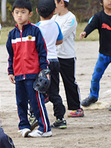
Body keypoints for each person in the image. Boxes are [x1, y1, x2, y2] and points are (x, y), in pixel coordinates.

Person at [6, 0, 52, 138]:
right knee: (20, 102)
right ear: (13, 14)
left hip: (33, 74)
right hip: (19, 74)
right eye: (17, 12)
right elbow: (11, 55)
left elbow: (42, 52)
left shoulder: (35, 31)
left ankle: (45, 128)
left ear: (30, 14)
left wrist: (44, 70)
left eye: (23, 12)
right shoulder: (12, 34)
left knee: (36, 102)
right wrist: (11, 71)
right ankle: (24, 126)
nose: (19, 15)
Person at [35, 0, 67, 129]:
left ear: (37, 11)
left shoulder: (36, 27)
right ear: (54, 11)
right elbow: (59, 40)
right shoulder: (55, 25)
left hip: (42, 62)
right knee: (54, 91)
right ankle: (60, 118)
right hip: (54, 61)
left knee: (37, 90)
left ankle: (36, 116)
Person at [52, 0, 84, 117]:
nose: (52, 6)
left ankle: (76, 107)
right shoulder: (53, 18)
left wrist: (48, 40)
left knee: (69, 82)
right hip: (54, 56)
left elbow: (61, 36)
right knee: (52, 82)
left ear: (62, 3)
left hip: (67, 56)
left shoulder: (71, 18)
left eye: (54, 3)